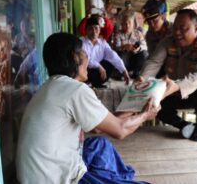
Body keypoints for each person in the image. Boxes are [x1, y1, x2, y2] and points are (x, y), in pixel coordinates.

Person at [16, 32, 159, 184]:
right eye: (84, 52)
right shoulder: (74, 90)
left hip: (40, 174)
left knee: (99, 145)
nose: (88, 57)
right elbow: (120, 130)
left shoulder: (52, 86)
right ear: (74, 56)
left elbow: (99, 126)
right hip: (57, 179)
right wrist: (145, 115)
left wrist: (136, 105)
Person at [138, 9, 197, 142]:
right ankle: (183, 125)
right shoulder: (168, 42)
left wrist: (177, 86)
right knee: (154, 100)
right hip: (178, 92)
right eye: (176, 28)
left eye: (183, 28)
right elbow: (154, 62)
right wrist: (142, 79)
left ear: (196, 28)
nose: (177, 32)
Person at [81, 16, 130, 88]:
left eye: (96, 28)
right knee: (83, 64)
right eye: (90, 29)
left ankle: (97, 83)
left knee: (110, 62)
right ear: (86, 30)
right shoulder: (81, 42)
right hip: (85, 72)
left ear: (99, 30)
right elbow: (85, 58)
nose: (94, 31)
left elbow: (112, 55)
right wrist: (99, 66)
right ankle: (87, 83)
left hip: (98, 73)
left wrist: (124, 71)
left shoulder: (102, 43)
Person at [114, 10, 148, 79]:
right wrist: (124, 47)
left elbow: (145, 46)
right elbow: (115, 48)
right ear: (121, 24)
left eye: (129, 23)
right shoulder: (118, 34)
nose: (127, 25)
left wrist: (139, 48)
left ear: (133, 24)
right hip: (125, 61)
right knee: (120, 54)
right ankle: (122, 73)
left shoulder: (138, 33)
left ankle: (136, 73)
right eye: (125, 23)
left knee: (144, 54)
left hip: (135, 59)